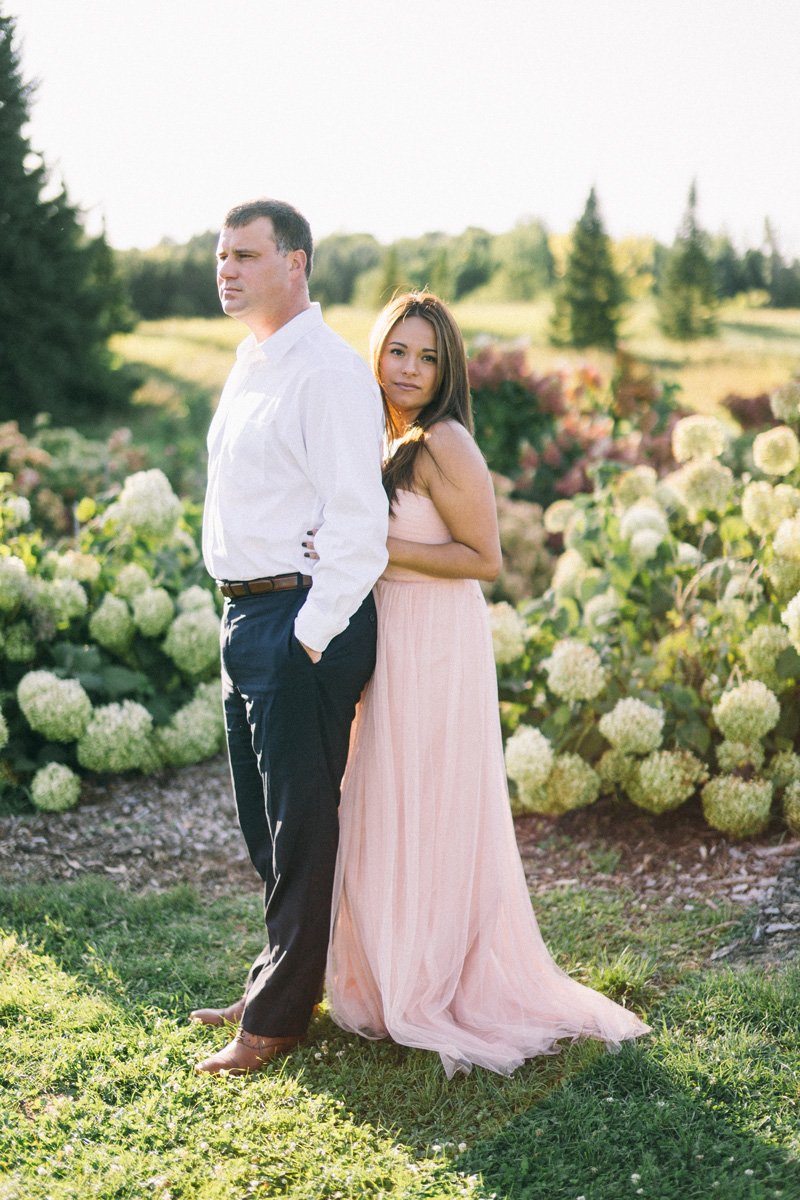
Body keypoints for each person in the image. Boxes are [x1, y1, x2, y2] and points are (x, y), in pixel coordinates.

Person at [323, 292, 651, 1077]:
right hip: (393, 634)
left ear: (448, 370)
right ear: (376, 351)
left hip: (437, 638)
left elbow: (484, 560)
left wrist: (378, 553)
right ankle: (383, 967)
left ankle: (434, 979)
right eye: (397, 351)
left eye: (427, 357)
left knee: (428, 798)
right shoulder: (388, 436)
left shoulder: (445, 442)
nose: (408, 368)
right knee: (381, 792)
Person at [192, 198, 389, 1076]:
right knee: (266, 826)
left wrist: (306, 636)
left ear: (295, 263)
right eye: (221, 255)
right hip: (247, 616)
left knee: (301, 825)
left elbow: (359, 520)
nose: (226, 269)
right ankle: (276, 979)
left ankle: (276, 1022)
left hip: (301, 621)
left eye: (245, 254)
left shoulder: (329, 372)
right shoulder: (252, 360)